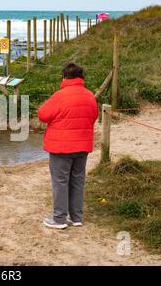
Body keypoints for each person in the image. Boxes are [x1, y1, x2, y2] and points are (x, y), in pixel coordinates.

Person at [38, 63, 99, 229]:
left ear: (64, 77)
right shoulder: (90, 96)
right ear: (81, 77)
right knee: (78, 181)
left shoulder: (60, 95)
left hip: (61, 147)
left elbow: (42, 114)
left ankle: (59, 219)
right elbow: (94, 116)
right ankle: (76, 217)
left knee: (60, 182)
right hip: (83, 145)